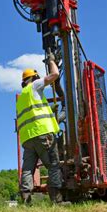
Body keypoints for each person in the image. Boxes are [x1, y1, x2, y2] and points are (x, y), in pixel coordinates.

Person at [16, 52, 66, 204]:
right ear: (33, 78)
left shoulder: (21, 97)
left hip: (27, 138)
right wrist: (51, 60)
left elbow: (34, 112)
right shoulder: (34, 86)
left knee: (27, 170)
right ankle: (56, 200)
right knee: (54, 166)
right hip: (42, 134)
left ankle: (25, 201)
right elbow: (55, 74)